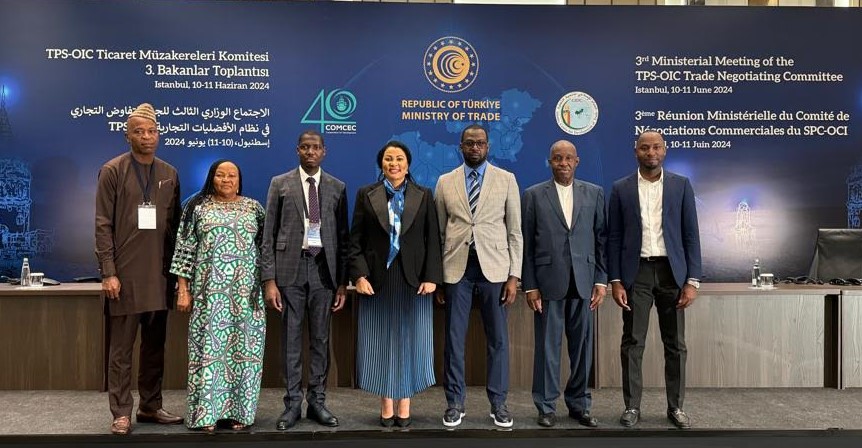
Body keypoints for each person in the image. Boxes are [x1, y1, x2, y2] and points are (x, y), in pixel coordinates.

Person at [94, 102, 183, 435]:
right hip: (125, 278)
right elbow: (102, 224)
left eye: (152, 131)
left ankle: (150, 406)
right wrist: (108, 272)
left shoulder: (170, 173)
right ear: (127, 136)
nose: (147, 137)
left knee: (154, 348)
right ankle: (120, 412)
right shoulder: (112, 171)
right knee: (121, 351)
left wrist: (178, 277)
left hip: (160, 277)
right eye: (139, 132)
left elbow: (175, 230)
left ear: (159, 135)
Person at [607, 130, 702, 429]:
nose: (651, 152)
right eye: (645, 148)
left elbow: (691, 235)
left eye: (656, 147)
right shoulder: (620, 188)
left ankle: (676, 407)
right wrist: (615, 280)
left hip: (672, 274)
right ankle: (632, 406)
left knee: (675, 343)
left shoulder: (681, 185)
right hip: (636, 273)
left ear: (665, 150)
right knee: (633, 342)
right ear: (636, 151)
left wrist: (692, 280)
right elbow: (614, 237)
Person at [349, 141, 443, 428]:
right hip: (377, 281)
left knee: (411, 342)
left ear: (408, 164)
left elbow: (432, 240)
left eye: (399, 159)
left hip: (413, 281)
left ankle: (405, 404)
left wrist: (431, 277)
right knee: (380, 342)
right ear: (381, 164)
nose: (394, 164)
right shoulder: (366, 194)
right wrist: (359, 276)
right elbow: (355, 241)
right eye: (388, 159)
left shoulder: (423, 195)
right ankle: (386, 403)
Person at [434, 124, 522, 428]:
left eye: (480, 143)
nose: (475, 147)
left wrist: (514, 276)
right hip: (456, 270)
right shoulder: (445, 182)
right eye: (469, 143)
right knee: (453, 340)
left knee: (497, 340)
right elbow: (439, 233)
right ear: (460, 146)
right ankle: (454, 403)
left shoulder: (506, 179)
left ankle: (499, 404)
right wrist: (438, 278)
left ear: (488, 146)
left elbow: (515, 232)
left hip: (494, 270)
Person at [260, 129, 349, 430]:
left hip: (324, 271)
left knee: (321, 340)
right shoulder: (280, 184)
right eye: (305, 147)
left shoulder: (337, 187)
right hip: (290, 270)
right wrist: (269, 280)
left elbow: (343, 238)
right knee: (291, 340)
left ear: (324, 151)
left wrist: (342, 283)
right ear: (297, 150)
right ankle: (292, 405)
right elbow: (268, 235)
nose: (311, 152)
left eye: (316, 147)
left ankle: (317, 402)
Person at [170, 159, 266, 431]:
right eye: (221, 175)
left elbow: (266, 249)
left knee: (244, 351)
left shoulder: (254, 208)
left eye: (232, 175)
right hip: (209, 295)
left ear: (239, 179)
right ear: (212, 178)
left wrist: (268, 285)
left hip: (246, 295)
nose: (226, 180)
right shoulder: (196, 207)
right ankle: (206, 414)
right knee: (210, 352)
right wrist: (183, 289)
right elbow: (184, 249)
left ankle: (240, 413)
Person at [521, 140, 607, 428]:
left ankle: (579, 404)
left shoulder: (595, 193)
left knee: (582, 349)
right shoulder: (533, 195)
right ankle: (546, 406)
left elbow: (601, 240)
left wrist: (601, 280)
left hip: (584, 283)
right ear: (550, 162)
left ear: (577, 161)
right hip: (548, 284)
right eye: (557, 158)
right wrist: (530, 285)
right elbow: (526, 245)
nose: (563, 163)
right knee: (547, 349)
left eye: (568, 158)